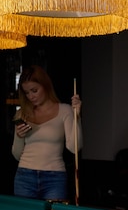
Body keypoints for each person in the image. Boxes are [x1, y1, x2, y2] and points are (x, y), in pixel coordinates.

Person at [11, 65, 82, 201]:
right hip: (24, 176)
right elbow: (16, 155)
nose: (31, 96)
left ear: (45, 86)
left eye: (34, 90)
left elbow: (75, 148)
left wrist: (77, 118)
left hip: (54, 178)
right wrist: (19, 137)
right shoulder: (22, 113)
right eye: (27, 93)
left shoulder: (65, 110)